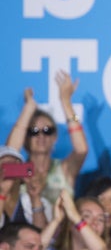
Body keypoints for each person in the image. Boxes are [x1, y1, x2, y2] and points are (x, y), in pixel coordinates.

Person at [7, 74, 88, 205]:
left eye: (47, 131)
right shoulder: (20, 170)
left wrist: (66, 102)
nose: (41, 136)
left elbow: (82, 149)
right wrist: (28, 109)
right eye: (34, 131)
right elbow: (9, 153)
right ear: (25, 138)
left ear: (55, 137)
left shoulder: (63, 169)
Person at [0, 145, 51, 230]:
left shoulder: (30, 202)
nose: (10, 171)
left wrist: (35, 198)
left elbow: (40, 235)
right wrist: (2, 193)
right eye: (5, 167)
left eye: (15, 167)